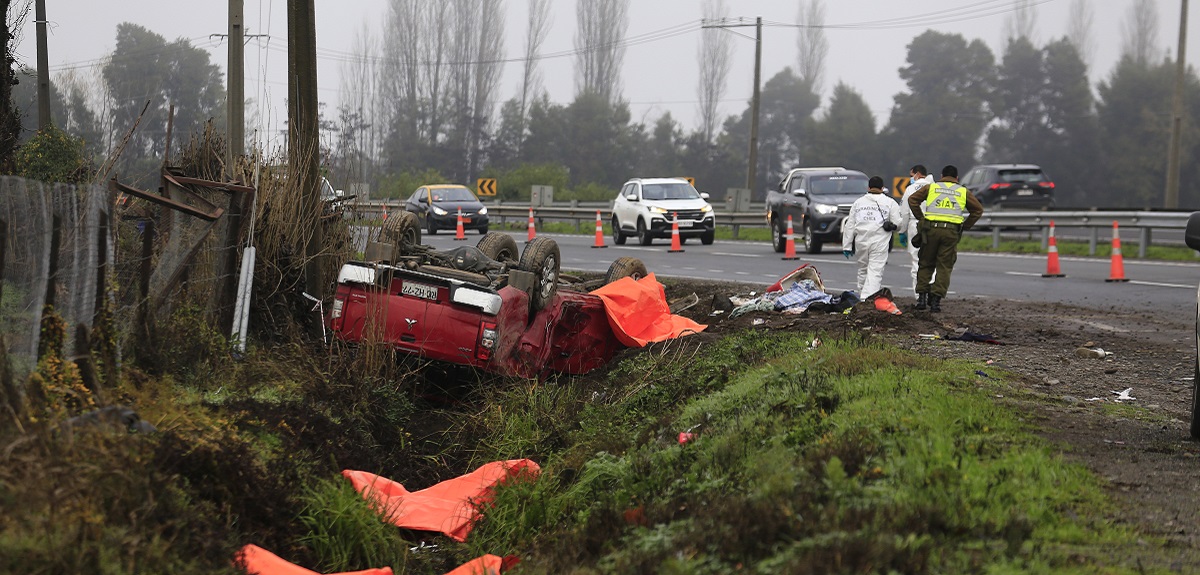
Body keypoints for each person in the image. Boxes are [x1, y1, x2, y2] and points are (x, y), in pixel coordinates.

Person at [906, 165, 984, 312]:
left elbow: (912, 200)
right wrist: (965, 226)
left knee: (925, 263)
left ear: (942, 176)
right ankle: (935, 301)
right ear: (957, 178)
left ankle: (922, 299)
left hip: (930, 230)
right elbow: (978, 210)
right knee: (944, 267)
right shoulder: (962, 191)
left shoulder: (932, 187)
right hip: (951, 232)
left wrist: (921, 218)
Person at [842, 176, 904, 298]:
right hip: (879, 242)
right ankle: (867, 300)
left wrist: (847, 246)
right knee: (875, 272)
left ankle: (861, 296)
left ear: (868, 188)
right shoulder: (890, 202)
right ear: (882, 188)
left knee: (863, 270)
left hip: (861, 241)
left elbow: (850, 225)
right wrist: (894, 227)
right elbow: (898, 223)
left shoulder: (858, 203)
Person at [897, 164, 935, 296]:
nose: (911, 178)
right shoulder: (934, 188)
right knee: (931, 259)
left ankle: (919, 294)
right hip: (932, 225)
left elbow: (904, 212)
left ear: (917, 174)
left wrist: (902, 231)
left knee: (916, 260)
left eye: (911, 175)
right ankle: (932, 292)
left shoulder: (910, 189)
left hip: (915, 225)